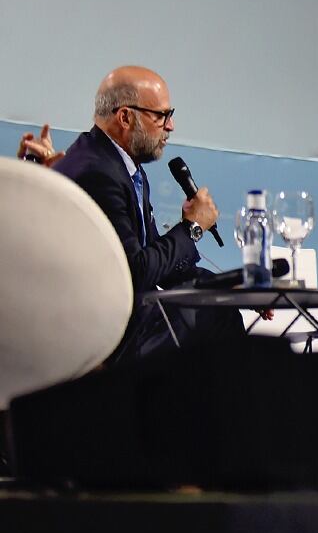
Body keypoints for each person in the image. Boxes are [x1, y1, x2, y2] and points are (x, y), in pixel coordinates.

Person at [54, 66, 239, 362]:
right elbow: (135, 274)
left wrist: (228, 285)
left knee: (221, 307)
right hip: (101, 335)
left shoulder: (119, 165)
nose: (171, 126)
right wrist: (192, 227)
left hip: (118, 323)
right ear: (126, 117)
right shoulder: (98, 173)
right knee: (218, 319)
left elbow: (158, 262)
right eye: (162, 115)